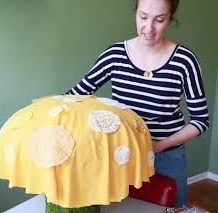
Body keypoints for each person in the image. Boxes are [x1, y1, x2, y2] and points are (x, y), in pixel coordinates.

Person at [64, 0, 209, 208]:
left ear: (170, 19)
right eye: (143, 17)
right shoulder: (115, 55)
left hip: (168, 157)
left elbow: (200, 121)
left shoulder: (184, 61)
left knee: (172, 209)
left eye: (159, 20)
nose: (149, 28)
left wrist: (158, 146)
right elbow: (74, 97)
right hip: (123, 154)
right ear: (135, 13)